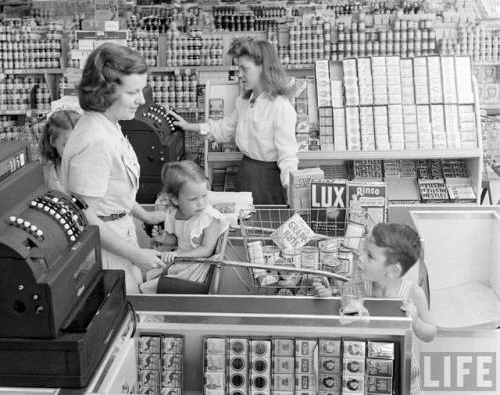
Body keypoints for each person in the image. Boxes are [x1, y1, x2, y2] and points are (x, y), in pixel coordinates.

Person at [60, 42, 166, 294]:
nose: (141, 100)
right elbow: (86, 217)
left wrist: (147, 216)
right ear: (105, 91)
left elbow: (114, 191)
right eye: (133, 92)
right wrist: (136, 254)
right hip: (106, 254)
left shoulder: (110, 125)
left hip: (120, 235)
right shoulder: (95, 140)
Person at [168, 37, 298, 205]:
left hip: (269, 181)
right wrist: (188, 126)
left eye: (244, 69)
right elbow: (224, 129)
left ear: (263, 69)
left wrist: (292, 189)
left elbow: (288, 156)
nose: (240, 74)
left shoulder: (281, 107)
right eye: (238, 68)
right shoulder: (245, 101)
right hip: (245, 173)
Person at [314, 222, 436, 395]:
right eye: (362, 251)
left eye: (369, 255)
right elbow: (343, 310)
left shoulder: (412, 293)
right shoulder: (360, 285)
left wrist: (415, 322)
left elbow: (431, 333)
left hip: (404, 375)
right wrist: (329, 295)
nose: (360, 257)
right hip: (363, 371)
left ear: (393, 271)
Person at [140, 160, 228, 293]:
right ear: (175, 199)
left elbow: (206, 250)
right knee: (148, 273)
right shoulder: (173, 214)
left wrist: (178, 255)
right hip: (179, 258)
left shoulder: (209, 218)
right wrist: (163, 238)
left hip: (198, 264)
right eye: (193, 199)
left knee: (160, 284)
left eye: (204, 196)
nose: (201, 203)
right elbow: (177, 239)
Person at [38, 109, 80, 191]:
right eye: (67, 145)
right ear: (53, 141)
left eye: (80, 144)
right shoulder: (47, 173)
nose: (75, 151)